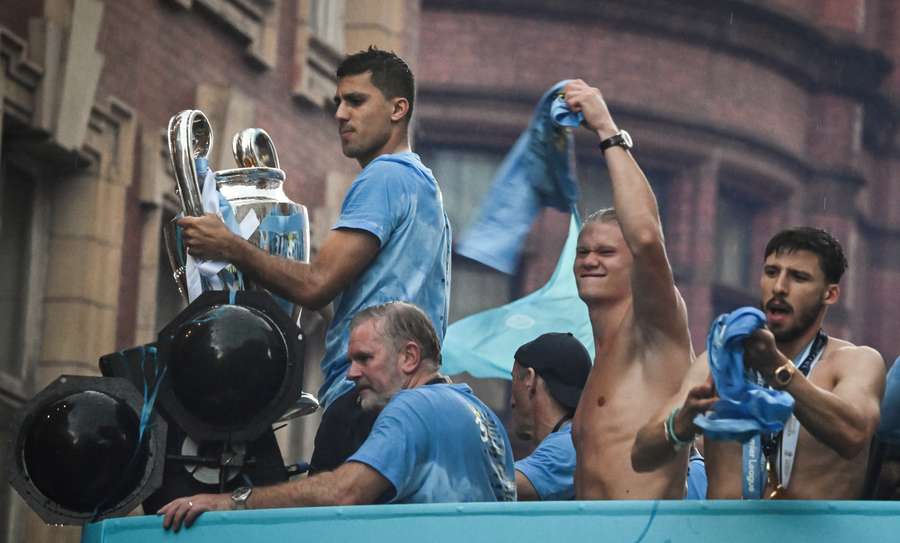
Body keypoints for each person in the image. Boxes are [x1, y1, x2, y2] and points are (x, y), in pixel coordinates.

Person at [177, 47, 451, 469]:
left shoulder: (384, 176)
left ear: (399, 109)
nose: (340, 114)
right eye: (338, 102)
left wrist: (230, 245)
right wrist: (263, 267)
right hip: (408, 400)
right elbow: (336, 301)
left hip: (365, 400)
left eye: (356, 101)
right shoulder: (423, 185)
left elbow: (315, 283)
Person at [159, 302, 516, 531]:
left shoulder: (411, 407)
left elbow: (345, 491)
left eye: (364, 358)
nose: (351, 374)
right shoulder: (485, 417)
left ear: (409, 357)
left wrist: (230, 502)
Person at [632, 227, 886, 499]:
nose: (779, 287)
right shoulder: (718, 363)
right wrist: (683, 422)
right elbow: (641, 457)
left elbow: (852, 436)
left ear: (830, 294)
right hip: (726, 537)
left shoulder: (855, 361)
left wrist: (776, 368)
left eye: (798, 277)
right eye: (772, 272)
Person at [560, 80, 694, 499]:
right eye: (583, 251)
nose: (589, 260)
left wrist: (606, 130)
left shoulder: (653, 329)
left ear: (634, 265)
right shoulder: (598, 360)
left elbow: (648, 239)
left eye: (605, 251)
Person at [510, 332, 592, 500]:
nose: (511, 402)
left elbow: (494, 483)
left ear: (529, 380)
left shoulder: (569, 445)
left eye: (514, 380)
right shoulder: (576, 437)